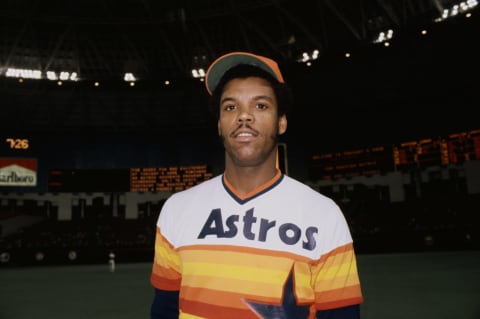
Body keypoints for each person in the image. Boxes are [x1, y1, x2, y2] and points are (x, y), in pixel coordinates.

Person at [150, 51, 363, 319]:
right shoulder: (176, 209)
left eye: (260, 106)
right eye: (230, 107)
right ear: (219, 124)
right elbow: (165, 311)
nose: (244, 116)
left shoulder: (324, 214)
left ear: (281, 122)